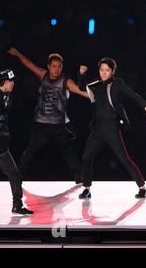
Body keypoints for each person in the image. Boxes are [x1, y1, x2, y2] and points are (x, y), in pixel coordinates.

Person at [7, 48, 88, 183]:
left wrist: (101, 97)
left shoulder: (65, 81)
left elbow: (81, 91)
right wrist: (16, 53)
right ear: (49, 66)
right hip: (42, 124)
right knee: (31, 150)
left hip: (59, 125)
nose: (56, 70)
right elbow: (29, 64)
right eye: (54, 66)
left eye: (59, 67)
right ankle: (18, 176)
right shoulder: (43, 75)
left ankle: (79, 178)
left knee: (68, 151)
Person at [77, 58, 146, 199]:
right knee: (86, 157)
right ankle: (87, 188)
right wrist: (82, 74)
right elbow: (82, 87)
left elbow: (132, 95)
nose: (104, 73)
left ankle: (142, 188)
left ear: (113, 71)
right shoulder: (96, 85)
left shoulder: (117, 84)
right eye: (102, 70)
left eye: (107, 70)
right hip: (98, 128)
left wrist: (145, 106)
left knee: (124, 159)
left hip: (112, 127)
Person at [0, 68, 33, 215]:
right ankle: (17, 205)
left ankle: (17, 205)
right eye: (11, 82)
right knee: (14, 174)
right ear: (5, 82)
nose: (13, 84)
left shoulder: (7, 97)